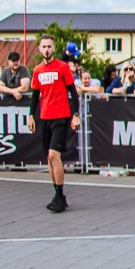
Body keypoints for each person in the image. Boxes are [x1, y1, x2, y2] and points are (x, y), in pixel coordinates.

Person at [31, 33, 81, 213]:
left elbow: (73, 93)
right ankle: (57, 193)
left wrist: (75, 114)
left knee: (54, 155)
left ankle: (60, 194)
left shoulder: (62, 67)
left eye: (49, 46)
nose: (46, 50)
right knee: (49, 158)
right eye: (44, 47)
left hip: (61, 116)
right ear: (39, 49)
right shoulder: (37, 70)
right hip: (45, 116)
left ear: (53, 48)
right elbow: (35, 95)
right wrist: (30, 115)